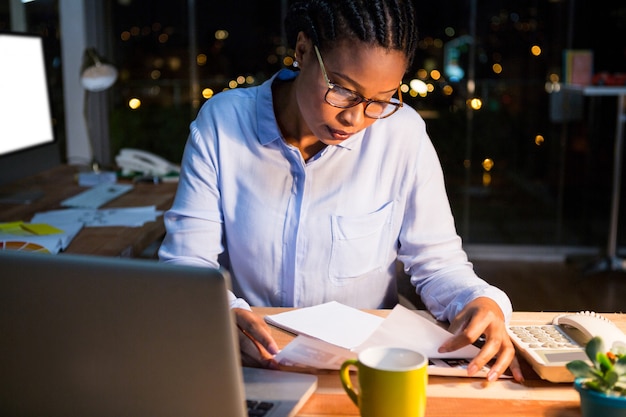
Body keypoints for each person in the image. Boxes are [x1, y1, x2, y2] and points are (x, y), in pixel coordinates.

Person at [158, 0, 523, 382]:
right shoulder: (223, 124)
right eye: (343, 90)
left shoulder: (402, 136)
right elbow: (187, 262)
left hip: (364, 369)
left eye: (380, 101)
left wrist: (478, 301)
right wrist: (222, 314)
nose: (355, 118)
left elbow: (438, 263)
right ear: (301, 51)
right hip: (256, 361)